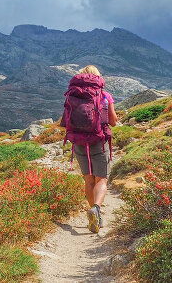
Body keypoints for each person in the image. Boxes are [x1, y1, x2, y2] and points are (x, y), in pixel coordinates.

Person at [60, 65, 117, 234]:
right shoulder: (105, 96)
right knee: (101, 180)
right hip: (99, 141)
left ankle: (93, 210)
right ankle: (97, 210)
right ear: (98, 78)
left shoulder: (72, 95)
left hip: (78, 142)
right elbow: (113, 121)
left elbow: (64, 121)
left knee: (88, 180)